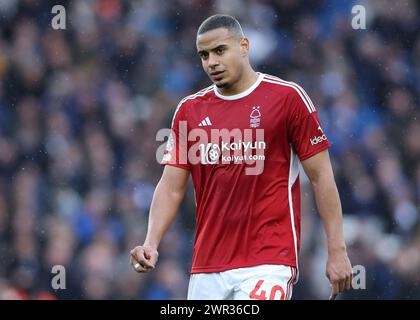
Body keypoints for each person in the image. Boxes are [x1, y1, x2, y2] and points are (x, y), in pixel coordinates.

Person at [130, 14, 352, 300]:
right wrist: (151, 242)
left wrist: (337, 251)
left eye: (220, 50)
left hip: (268, 260)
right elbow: (171, 187)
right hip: (207, 265)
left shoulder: (288, 98)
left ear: (244, 46)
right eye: (204, 55)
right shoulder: (189, 111)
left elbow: (322, 178)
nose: (212, 62)